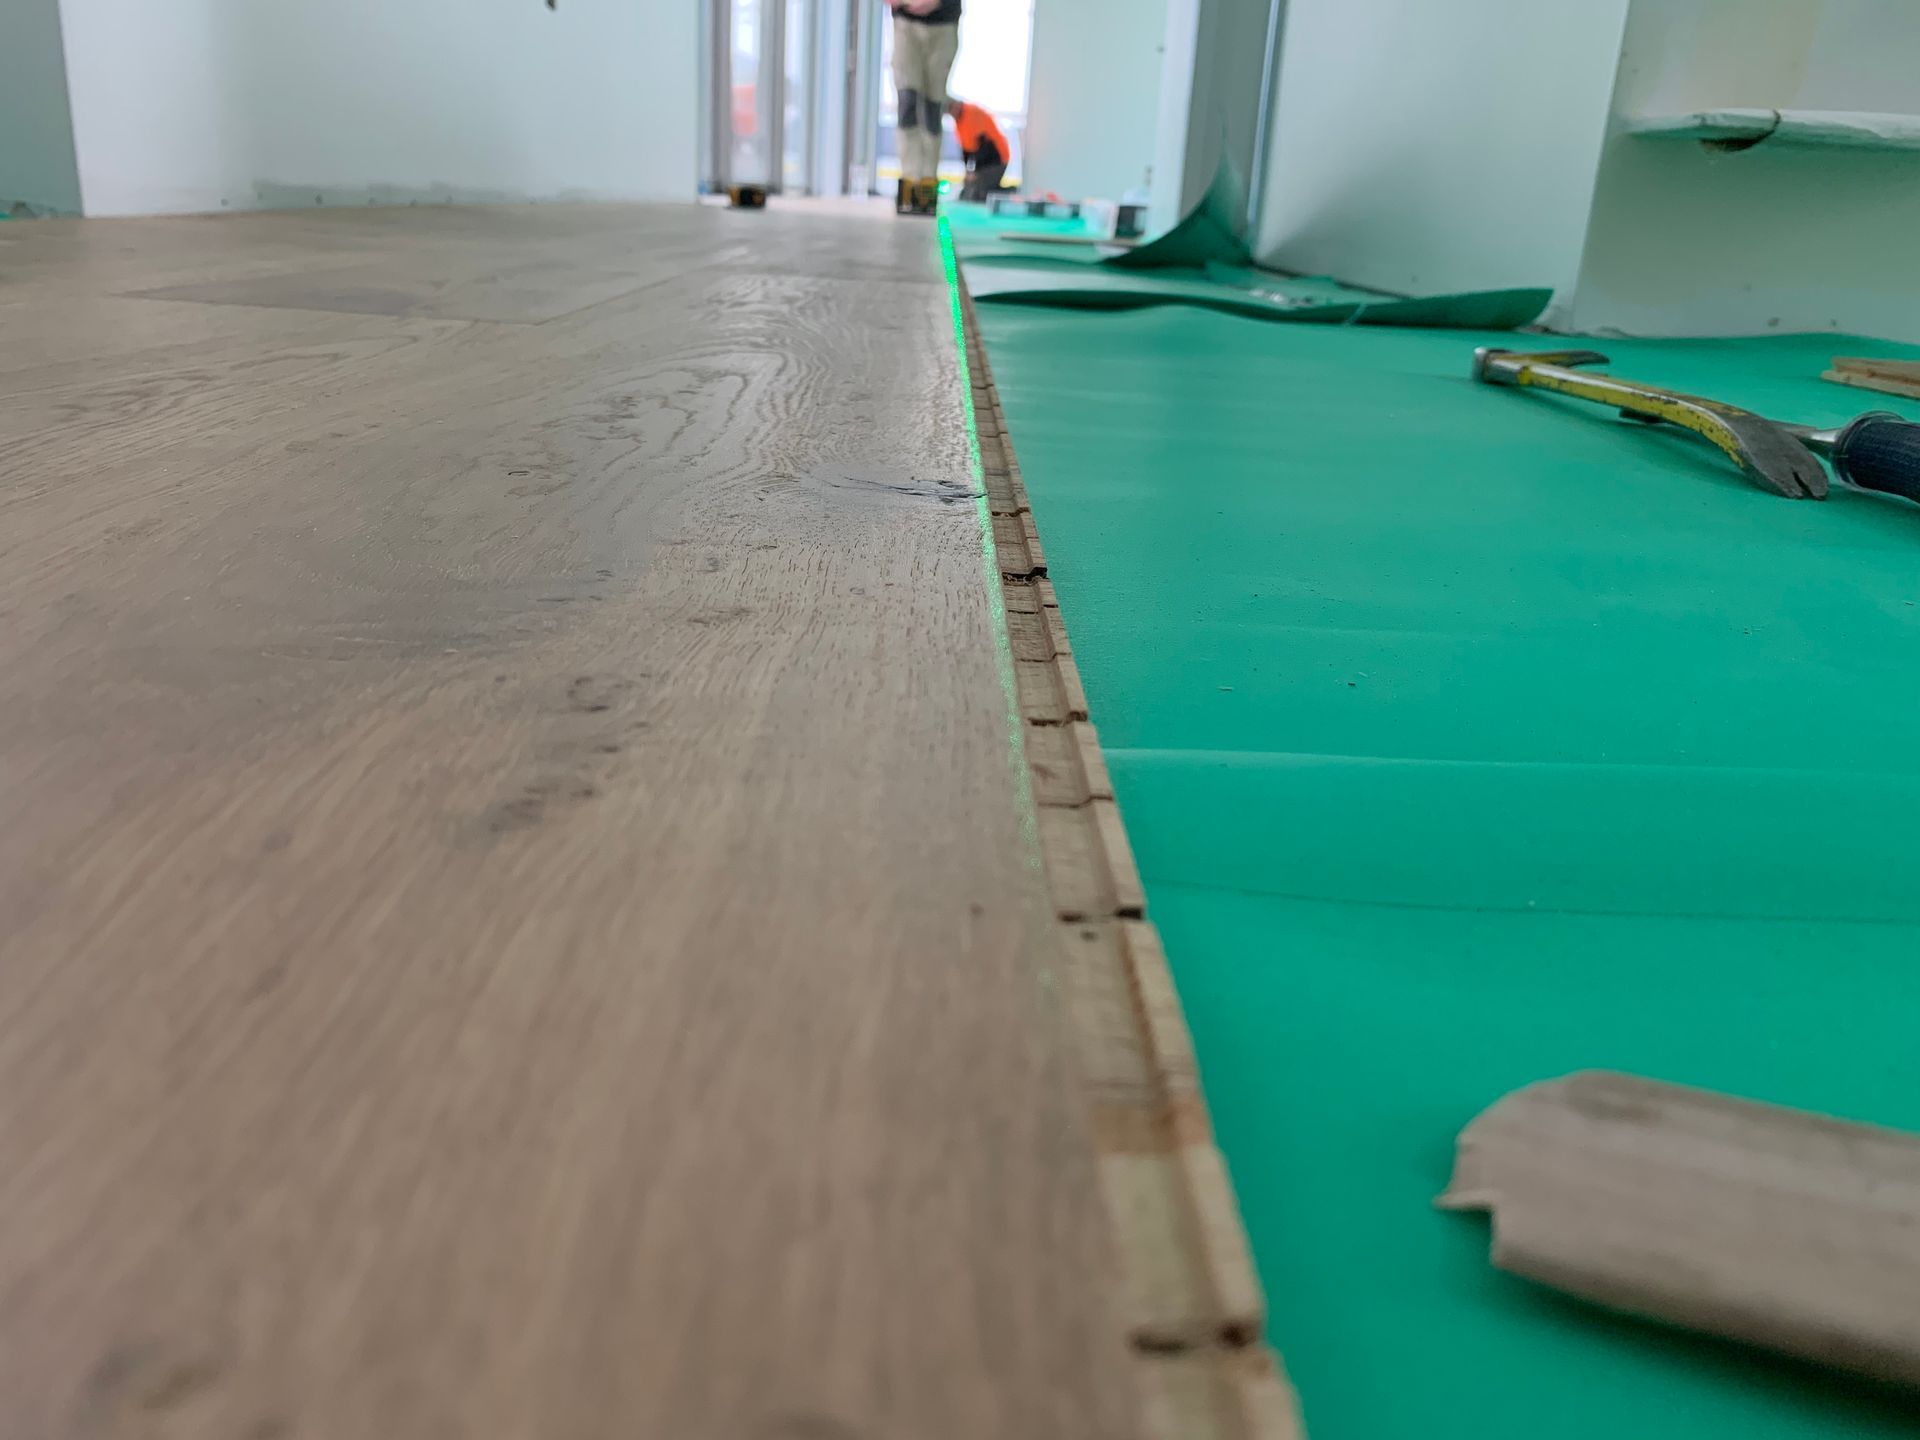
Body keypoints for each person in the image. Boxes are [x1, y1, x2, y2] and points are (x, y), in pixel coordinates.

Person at [885, 0, 960, 213]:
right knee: (907, 102)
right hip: (906, 25)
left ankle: (927, 187)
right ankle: (910, 181)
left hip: (943, 24)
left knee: (932, 107)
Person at [946, 99, 1010, 201]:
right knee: (969, 186)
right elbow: (966, 150)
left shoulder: (972, 113)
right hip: (985, 161)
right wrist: (968, 172)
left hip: (997, 159)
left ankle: (1012, 193)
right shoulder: (959, 122)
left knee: (980, 191)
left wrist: (975, 172)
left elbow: (985, 146)